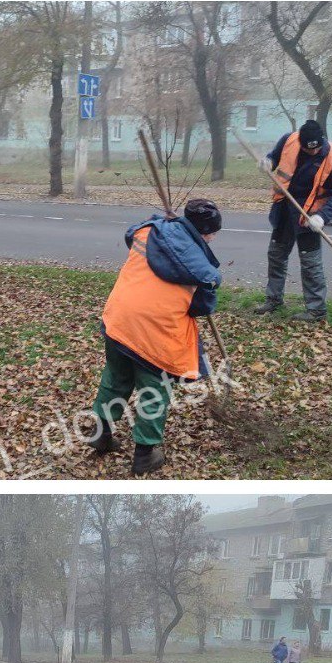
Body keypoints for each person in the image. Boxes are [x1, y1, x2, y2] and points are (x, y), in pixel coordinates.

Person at [90, 198, 223, 475]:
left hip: (118, 319)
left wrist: (169, 226)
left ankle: (101, 434)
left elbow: (131, 234)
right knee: (154, 392)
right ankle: (144, 456)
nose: (213, 239)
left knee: (116, 377)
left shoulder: (148, 231)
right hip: (154, 337)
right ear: (205, 233)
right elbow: (201, 307)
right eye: (212, 233)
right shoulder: (203, 270)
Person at [254, 119, 332, 323]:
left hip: (309, 217)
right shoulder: (289, 140)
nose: (312, 152)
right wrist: (268, 162)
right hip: (284, 208)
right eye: (308, 149)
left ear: (322, 141)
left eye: (316, 148)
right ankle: (273, 299)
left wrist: (321, 217)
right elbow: (274, 157)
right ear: (301, 141)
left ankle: (316, 310)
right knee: (276, 255)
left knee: (310, 264)